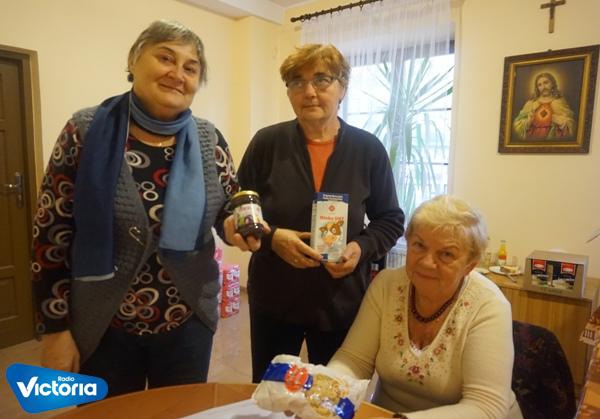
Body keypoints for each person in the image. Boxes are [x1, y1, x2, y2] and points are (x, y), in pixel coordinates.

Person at [31, 20, 263, 397]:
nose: (178, 74)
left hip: (187, 320)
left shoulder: (209, 138)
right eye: (166, 58)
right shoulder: (84, 130)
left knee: (180, 411)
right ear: (134, 61)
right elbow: (50, 234)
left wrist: (235, 224)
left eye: (191, 67)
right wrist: (55, 329)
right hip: (102, 323)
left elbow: (227, 205)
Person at [236, 44, 405, 383]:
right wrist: (273, 238)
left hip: (340, 302)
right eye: (297, 82)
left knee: (333, 393)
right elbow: (240, 209)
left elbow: (390, 219)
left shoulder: (368, 150)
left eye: (322, 80)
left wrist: (360, 248)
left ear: (343, 88)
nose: (309, 92)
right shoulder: (267, 143)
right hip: (275, 297)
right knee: (271, 392)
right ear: (288, 91)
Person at [328, 195, 523, 418]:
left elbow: (486, 407)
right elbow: (354, 360)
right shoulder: (386, 285)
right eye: (419, 245)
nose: (427, 262)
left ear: (470, 265)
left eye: (446, 254)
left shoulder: (489, 306)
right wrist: (323, 391)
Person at [513, 72, 575, 140]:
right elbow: (517, 124)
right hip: (532, 138)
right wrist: (528, 122)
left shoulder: (559, 102)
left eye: (546, 82)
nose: (543, 87)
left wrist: (563, 123)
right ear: (537, 88)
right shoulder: (530, 104)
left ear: (552, 84)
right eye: (539, 85)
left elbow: (571, 124)